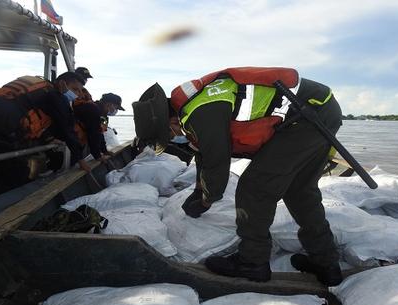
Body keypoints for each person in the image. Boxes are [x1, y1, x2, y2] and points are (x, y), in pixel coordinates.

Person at [132, 67, 343, 286]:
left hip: (307, 114)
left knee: (254, 188)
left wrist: (207, 199)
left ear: (171, 121)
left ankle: (252, 261)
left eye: (170, 133)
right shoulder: (195, 104)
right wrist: (199, 192)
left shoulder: (200, 111)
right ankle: (327, 264)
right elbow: (204, 155)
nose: (175, 136)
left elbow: (217, 163)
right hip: (320, 109)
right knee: (300, 192)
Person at [0, 72, 90, 196]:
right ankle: (7, 210)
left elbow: (33, 114)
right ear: (62, 83)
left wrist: (48, 138)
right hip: (1, 127)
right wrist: (80, 159)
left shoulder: (41, 88)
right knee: (16, 172)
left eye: (80, 91)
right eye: (75, 89)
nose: (78, 94)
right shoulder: (55, 96)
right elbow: (66, 128)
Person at [72, 88, 111, 161]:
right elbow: (94, 133)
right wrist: (97, 156)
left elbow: (100, 133)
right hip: (74, 140)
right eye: (116, 107)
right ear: (109, 104)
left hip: (80, 140)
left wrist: (104, 151)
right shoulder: (93, 110)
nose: (115, 111)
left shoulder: (103, 116)